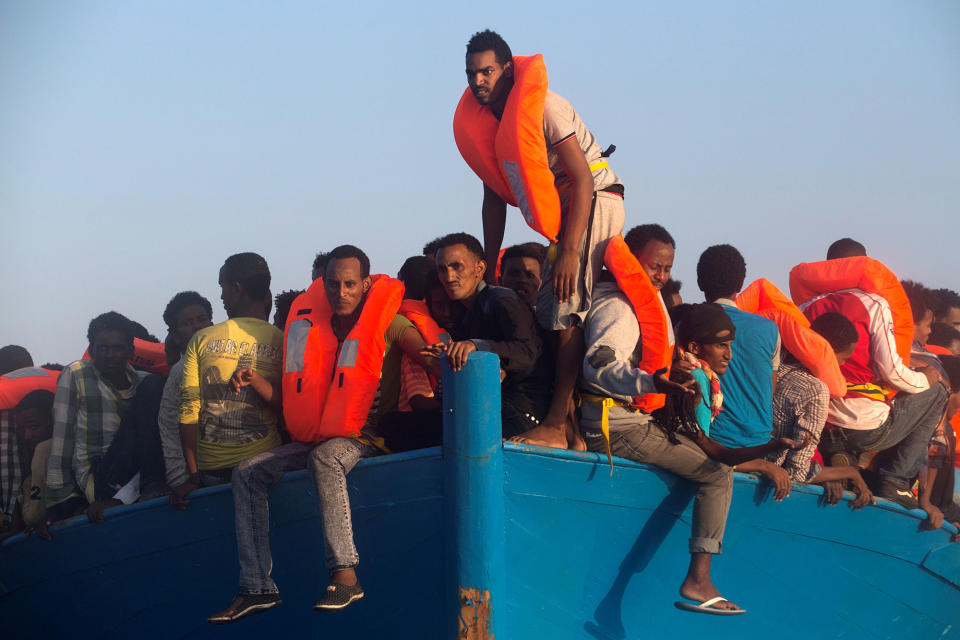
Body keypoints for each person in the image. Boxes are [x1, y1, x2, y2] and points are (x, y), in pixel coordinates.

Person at [209, 245, 433, 623]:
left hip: (367, 440)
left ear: (365, 284)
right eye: (332, 284)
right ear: (322, 284)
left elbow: (431, 359)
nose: (340, 292)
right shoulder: (308, 327)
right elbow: (292, 399)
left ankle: (345, 574)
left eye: (349, 284)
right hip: (318, 437)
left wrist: (461, 356)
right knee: (248, 472)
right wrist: (256, 382)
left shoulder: (389, 322)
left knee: (325, 458)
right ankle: (256, 586)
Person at [460, 29, 625, 449]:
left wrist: (570, 250)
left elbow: (584, 179)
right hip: (567, 214)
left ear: (509, 70)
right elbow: (493, 198)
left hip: (595, 200)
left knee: (565, 311)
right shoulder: (491, 125)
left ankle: (555, 425)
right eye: (472, 74)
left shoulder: (545, 108)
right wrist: (488, 266)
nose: (479, 81)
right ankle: (566, 427)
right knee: (549, 313)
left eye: (487, 71)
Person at [577, 261, 744, 614]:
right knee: (717, 475)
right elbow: (600, 363)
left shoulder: (630, 307)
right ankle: (698, 579)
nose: (661, 276)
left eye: (667, 267)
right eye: (654, 266)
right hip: (617, 425)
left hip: (617, 419)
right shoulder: (620, 310)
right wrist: (651, 382)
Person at [800, 257, 947, 508]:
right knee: (938, 390)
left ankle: (841, 455)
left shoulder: (806, 306)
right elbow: (892, 372)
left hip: (821, 425)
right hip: (865, 429)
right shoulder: (875, 303)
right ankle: (896, 481)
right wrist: (927, 378)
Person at [172, 254, 284, 508]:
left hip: (214, 472)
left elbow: (189, 411)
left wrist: (193, 476)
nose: (221, 297)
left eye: (222, 288)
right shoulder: (282, 340)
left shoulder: (202, 340)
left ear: (236, 288)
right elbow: (288, 406)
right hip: (267, 465)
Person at [425, 233, 554, 438]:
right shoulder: (465, 314)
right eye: (443, 269)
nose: (449, 277)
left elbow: (528, 352)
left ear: (480, 269)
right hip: (489, 407)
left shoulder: (502, 301)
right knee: (395, 426)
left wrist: (475, 346)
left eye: (457, 266)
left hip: (522, 411)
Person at [695, 245, 791, 494]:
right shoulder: (769, 329)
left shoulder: (687, 324)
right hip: (758, 445)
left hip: (711, 445)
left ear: (699, 281)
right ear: (741, 283)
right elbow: (769, 390)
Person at [45, 312, 148, 520]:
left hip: (136, 475)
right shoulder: (77, 374)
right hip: (97, 477)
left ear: (131, 351)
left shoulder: (144, 383)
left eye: (117, 348)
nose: (110, 355)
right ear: (91, 350)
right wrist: (66, 504)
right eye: (103, 348)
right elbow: (62, 443)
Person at [766, 312, 873, 508]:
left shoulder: (774, 365)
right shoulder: (816, 390)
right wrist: (850, 473)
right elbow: (797, 472)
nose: (843, 365)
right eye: (843, 358)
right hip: (770, 479)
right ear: (829, 352)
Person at [157, 292, 214, 491]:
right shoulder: (177, 373)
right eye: (187, 323)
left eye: (202, 319)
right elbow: (169, 430)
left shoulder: (230, 356)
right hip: (201, 475)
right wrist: (181, 481)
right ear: (175, 335)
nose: (197, 326)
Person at [499, 242, 546, 308]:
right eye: (514, 274)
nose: (522, 280)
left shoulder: (551, 317)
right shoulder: (483, 315)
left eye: (530, 275)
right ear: (500, 281)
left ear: (540, 284)